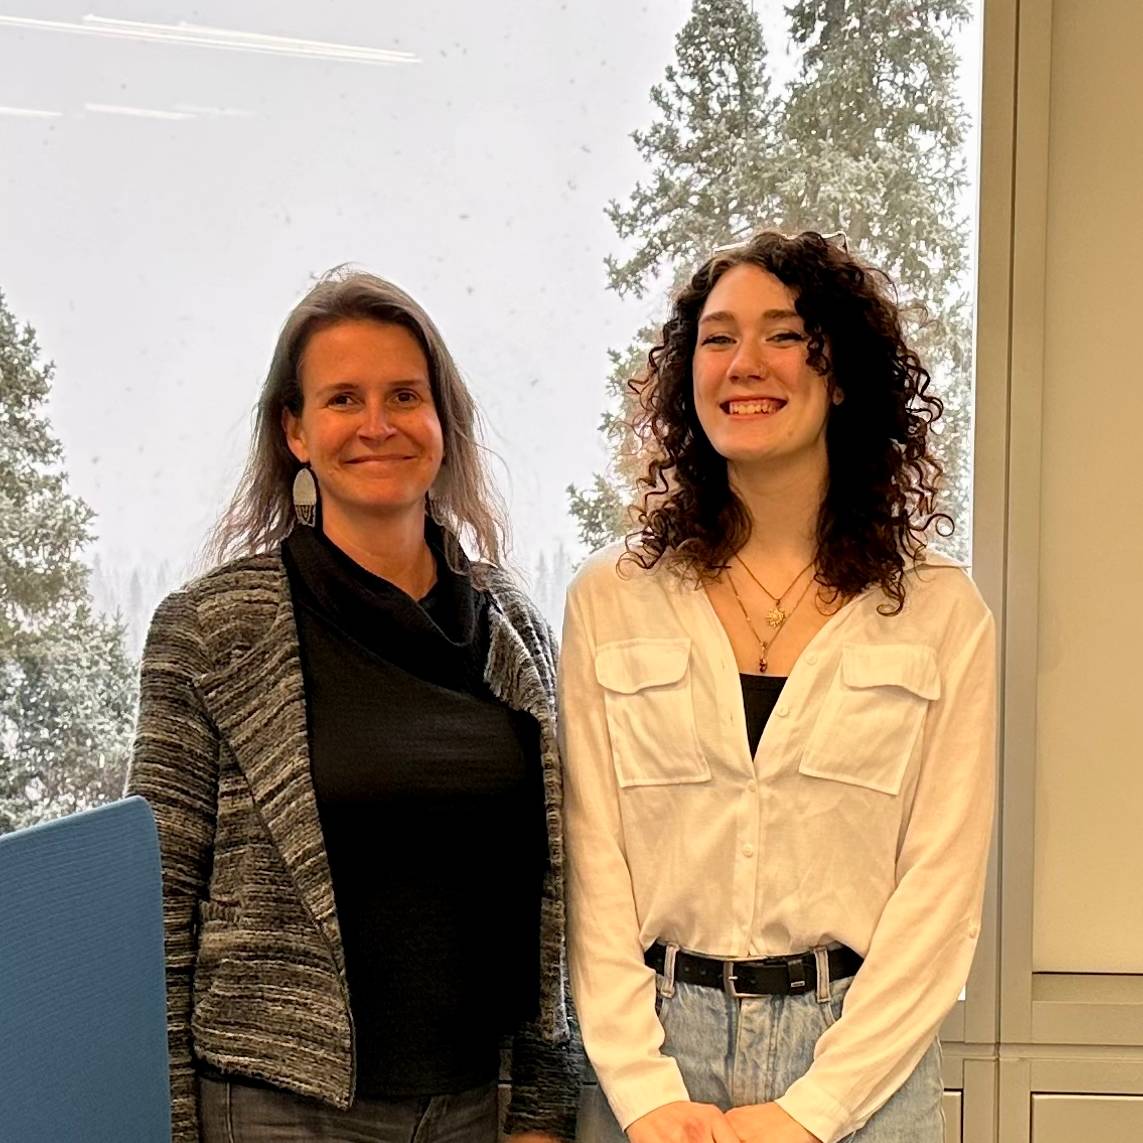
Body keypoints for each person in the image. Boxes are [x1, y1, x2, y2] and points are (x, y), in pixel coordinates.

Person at [559, 230, 996, 1143]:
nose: (743, 363)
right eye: (716, 339)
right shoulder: (612, 599)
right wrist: (644, 1094)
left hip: (863, 1061)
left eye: (783, 334)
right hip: (651, 1058)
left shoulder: (939, 613)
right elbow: (592, 867)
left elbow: (939, 892)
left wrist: (811, 1112)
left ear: (839, 371)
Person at [128, 269, 579, 1143]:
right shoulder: (213, 628)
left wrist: (542, 1105)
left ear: (442, 424)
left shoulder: (512, 623)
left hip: (474, 1107)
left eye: (404, 395)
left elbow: (557, 880)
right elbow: (159, 909)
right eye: (343, 398)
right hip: (275, 1110)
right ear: (296, 431)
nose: (377, 423)